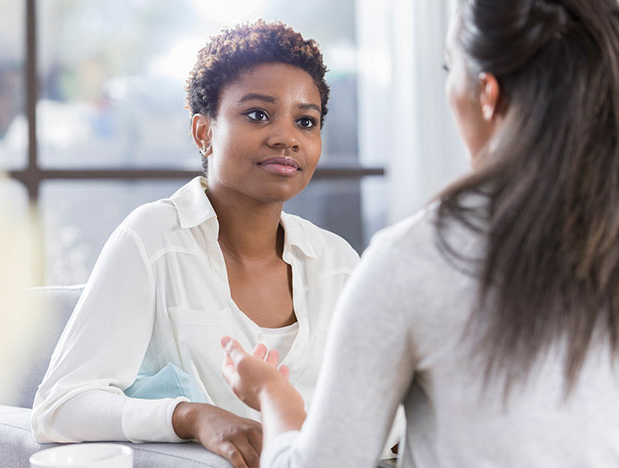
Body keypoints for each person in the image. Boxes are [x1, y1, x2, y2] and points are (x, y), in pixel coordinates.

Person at [221, 1, 619, 467]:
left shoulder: (417, 259)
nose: (286, 138)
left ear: (487, 93)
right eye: (257, 115)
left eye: (451, 68)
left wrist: (275, 395)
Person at [32, 21, 403, 468]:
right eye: (258, 114)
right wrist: (192, 417)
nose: (287, 137)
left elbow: (385, 421)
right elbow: (60, 407)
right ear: (203, 131)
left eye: (306, 121)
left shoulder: (337, 262)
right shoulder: (153, 239)